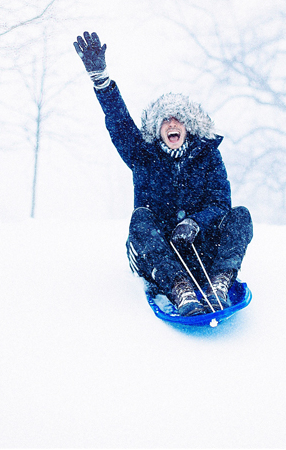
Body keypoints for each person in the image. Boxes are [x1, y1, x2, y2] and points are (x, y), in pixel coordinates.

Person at [73, 31, 253, 316]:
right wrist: (101, 81)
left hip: (198, 250)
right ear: (157, 130)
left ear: (188, 126)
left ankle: (219, 283)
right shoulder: (143, 156)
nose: (171, 123)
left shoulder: (208, 156)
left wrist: (195, 222)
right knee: (141, 217)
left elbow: (220, 204)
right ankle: (180, 290)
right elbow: (119, 123)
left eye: (177, 118)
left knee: (240, 215)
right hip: (158, 253)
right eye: (164, 120)